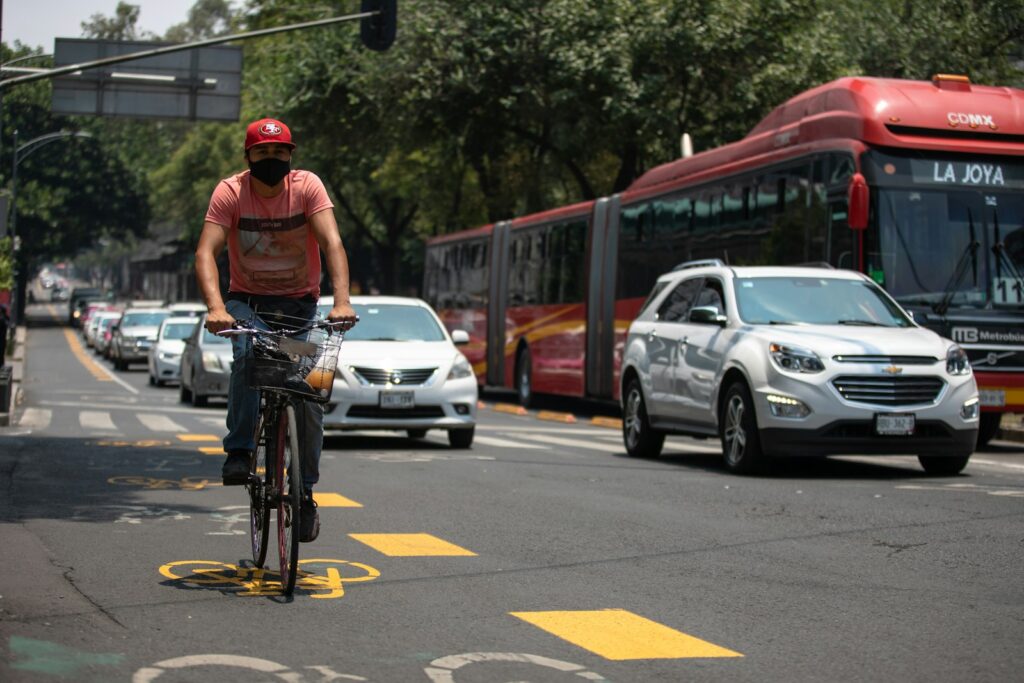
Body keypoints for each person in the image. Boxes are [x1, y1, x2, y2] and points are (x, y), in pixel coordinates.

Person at [195, 117, 357, 543]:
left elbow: (332, 244)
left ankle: (303, 492)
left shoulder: (306, 187)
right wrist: (216, 308)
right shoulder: (230, 191)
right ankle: (240, 450)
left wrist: (341, 301)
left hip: (301, 308)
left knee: (310, 394)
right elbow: (206, 252)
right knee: (248, 358)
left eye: (279, 152)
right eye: (263, 153)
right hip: (247, 305)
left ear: (291, 155)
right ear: (248, 156)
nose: (272, 159)